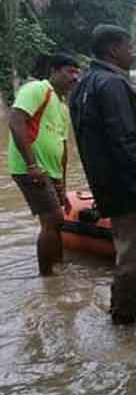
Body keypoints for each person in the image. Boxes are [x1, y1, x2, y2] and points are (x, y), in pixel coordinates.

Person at [70, 25, 136, 325]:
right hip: (127, 188)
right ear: (113, 49)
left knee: (127, 251)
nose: (134, 52)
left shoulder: (84, 84)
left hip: (107, 185)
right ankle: (124, 321)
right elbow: (125, 139)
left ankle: (120, 310)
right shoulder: (112, 84)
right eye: (130, 46)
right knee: (134, 258)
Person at [7, 53, 81, 276]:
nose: (75, 78)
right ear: (54, 71)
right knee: (53, 219)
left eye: (77, 73)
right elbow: (15, 120)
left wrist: (63, 186)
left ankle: (58, 266)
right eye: (70, 71)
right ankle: (47, 277)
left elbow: (63, 146)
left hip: (52, 172)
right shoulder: (38, 89)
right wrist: (32, 165)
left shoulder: (63, 106)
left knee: (56, 221)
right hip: (31, 169)